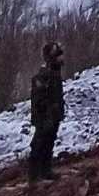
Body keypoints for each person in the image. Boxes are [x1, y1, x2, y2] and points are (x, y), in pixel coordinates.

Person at [29, 40, 66, 182]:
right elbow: (39, 99)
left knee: (49, 143)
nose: (61, 59)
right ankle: (34, 176)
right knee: (39, 144)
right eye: (58, 56)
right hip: (44, 117)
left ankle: (46, 171)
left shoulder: (55, 75)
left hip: (53, 116)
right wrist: (47, 114)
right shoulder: (43, 75)